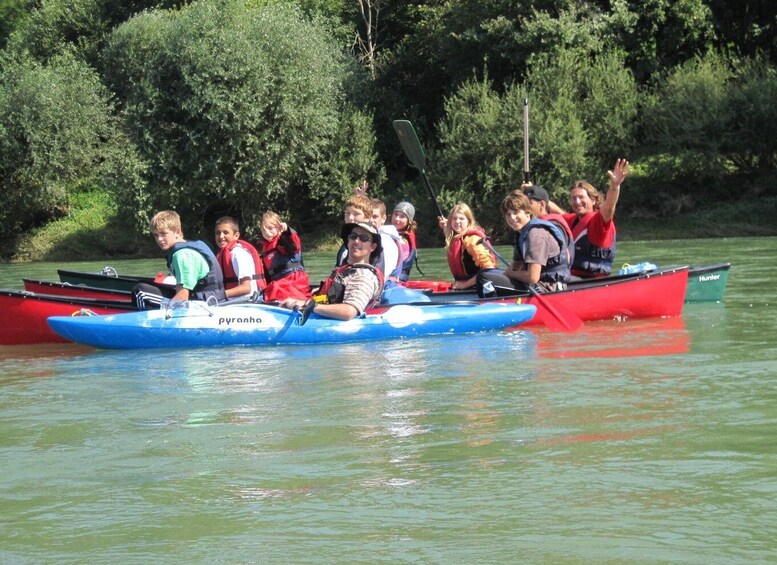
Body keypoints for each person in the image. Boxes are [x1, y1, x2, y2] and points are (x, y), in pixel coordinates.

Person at [281, 222, 384, 320]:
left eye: (363, 238)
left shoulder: (364, 276)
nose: (356, 241)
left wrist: (308, 305)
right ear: (348, 240)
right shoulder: (346, 270)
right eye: (353, 236)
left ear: (372, 247)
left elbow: (349, 312)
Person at [476, 191, 571, 297]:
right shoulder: (521, 233)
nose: (512, 218)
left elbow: (533, 277)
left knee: (485, 278)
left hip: (548, 287)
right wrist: (508, 273)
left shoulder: (536, 234)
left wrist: (509, 274)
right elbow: (515, 267)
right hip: (536, 284)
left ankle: (492, 308)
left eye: (516, 212)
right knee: (484, 273)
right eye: (508, 214)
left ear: (527, 212)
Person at [548, 159, 631, 278]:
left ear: (593, 200)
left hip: (590, 280)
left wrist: (615, 186)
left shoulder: (598, 220)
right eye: (573, 198)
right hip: (572, 277)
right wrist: (534, 193)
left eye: (581, 197)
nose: (577, 202)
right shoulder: (573, 220)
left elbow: (609, 207)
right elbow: (557, 212)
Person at [132, 210, 226, 309]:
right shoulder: (187, 248)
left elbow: (182, 297)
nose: (159, 239)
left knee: (140, 291)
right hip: (212, 298)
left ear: (177, 231)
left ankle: (143, 322)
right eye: (156, 235)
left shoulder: (182, 255)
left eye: (163, 234)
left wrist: (167, 310)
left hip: (206, 304)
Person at [255, 211, 311, 302]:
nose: (267, 232)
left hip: (294, 283)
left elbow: (293, 244)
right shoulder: (266, 248)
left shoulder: (283, 240)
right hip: (279, 284)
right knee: (265, 293)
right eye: (263, 230)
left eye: (270, 228)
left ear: (278, 227)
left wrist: (286, 231)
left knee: (273, 291)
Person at [437, 202, 496, 290]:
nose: (457, 221)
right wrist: (445, 226)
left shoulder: (472, 241)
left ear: (469, 221)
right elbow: (449, 231)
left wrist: (465, 285)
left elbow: (489, 270)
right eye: (454, 218)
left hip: (479, 288)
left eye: (461, 219)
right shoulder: (456, 236)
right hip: (466, 286)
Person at [214, 216, 266, 301]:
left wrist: (219, 295)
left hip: (246, 303)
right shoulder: (222, 255)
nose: (221, 236)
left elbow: (246, 288)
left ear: (236, 235)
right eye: (218, 233)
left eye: (225, 232)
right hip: (230, 303)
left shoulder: (239, 254)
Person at [522, 184, 575, 267]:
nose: (525, 208)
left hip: (552, 276)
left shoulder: (547, 227)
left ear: (542, 205)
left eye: (529, 204)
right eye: (523, 205)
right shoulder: (536, 225)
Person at [369, 197, 404, 288]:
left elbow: (382, 275)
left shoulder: (385, 240)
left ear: (383, 218)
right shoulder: (375, 237)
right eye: (367, 216)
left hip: (384, 291)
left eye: (375, 216)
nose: (370, 220)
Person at [335, 194, 373, 267]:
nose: (350, 218)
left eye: (356, 214)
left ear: (368, 216)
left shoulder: (375, 239)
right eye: (347, 213)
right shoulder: (347, 239)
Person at [391, 201, 417, 281]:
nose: (397, 219)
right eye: (395, 214)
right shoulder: (387, 232)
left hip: (399, 278)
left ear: (409, 220)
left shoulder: (403, 240)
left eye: (402, 216)